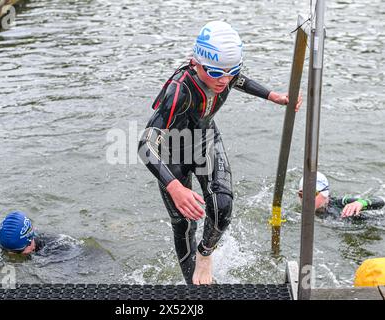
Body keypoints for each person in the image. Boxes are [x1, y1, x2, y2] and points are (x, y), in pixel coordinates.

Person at [138, 21, 302, 285]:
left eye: (230, 72)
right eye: (215, 73)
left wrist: (273, 96)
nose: (223, 81)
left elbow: (239, 80)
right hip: (172, 155)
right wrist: (175, 188)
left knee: (222, 205)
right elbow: (145, 146)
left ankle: (205, 255)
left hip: (205, 140)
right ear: (196, 63)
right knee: (184, 224)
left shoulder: (224, 73)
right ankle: (194, 284)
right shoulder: (178, 91)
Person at [297, 172, 385, 219]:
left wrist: (361, 203)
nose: (306, 199)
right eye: (302, 194)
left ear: (325, 194)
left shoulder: (339, 203)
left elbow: (381, 201)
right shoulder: (298, 213)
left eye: (312, 194)